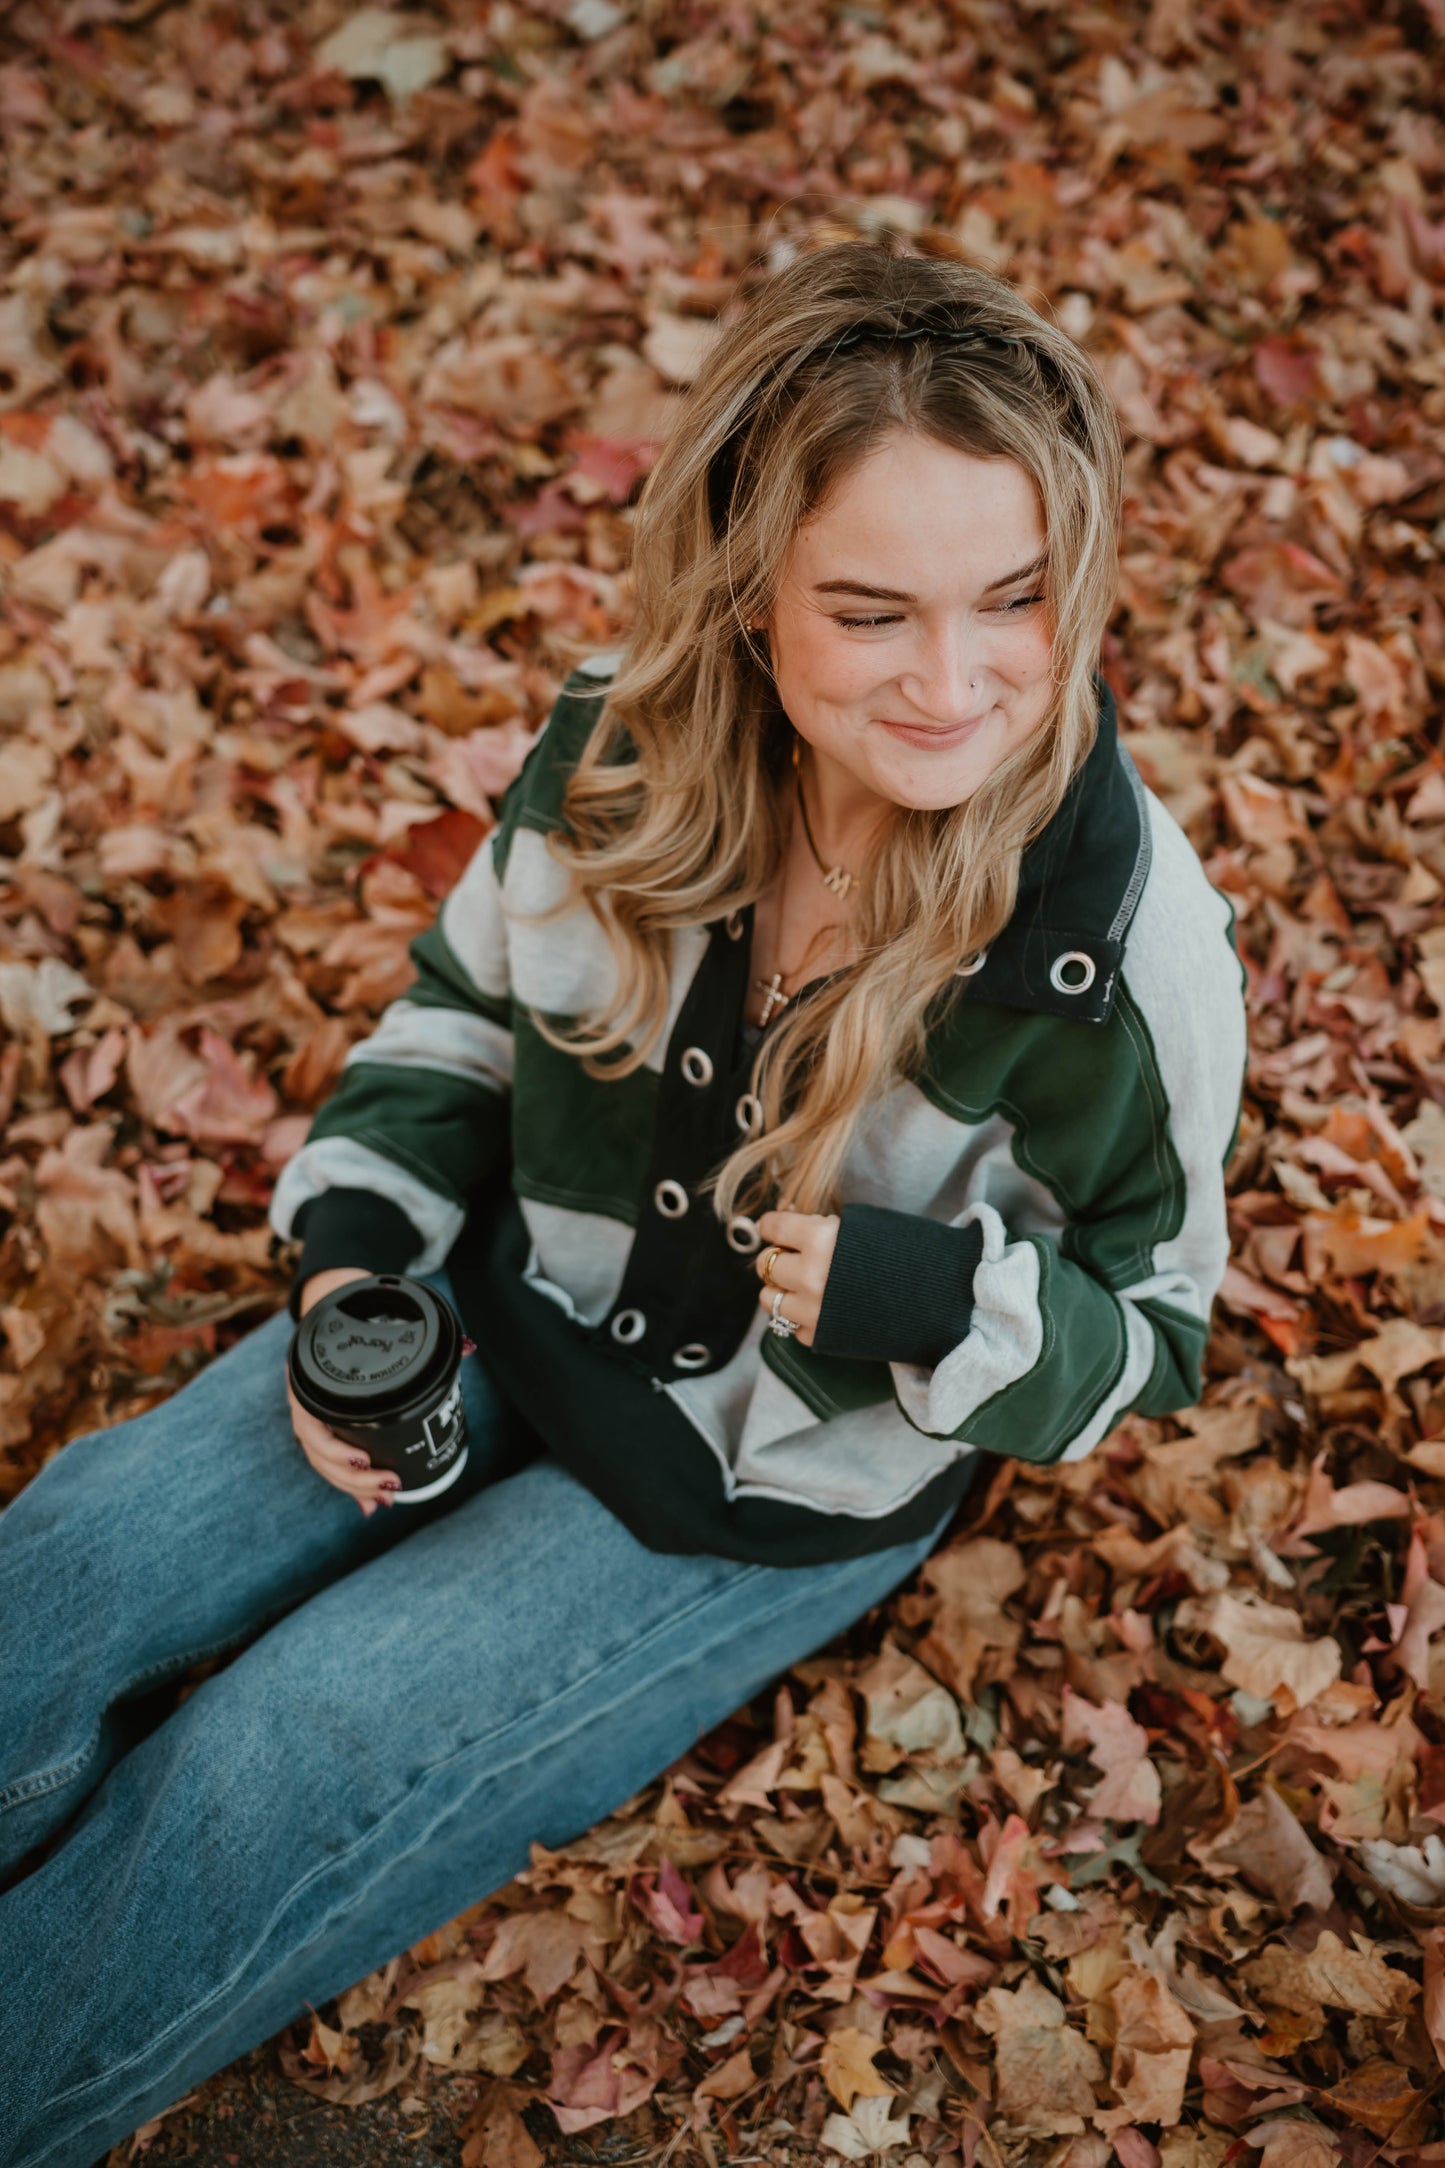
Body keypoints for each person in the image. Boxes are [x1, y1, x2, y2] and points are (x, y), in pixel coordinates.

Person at [0, 231, 1246, 2167]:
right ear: (752, 598)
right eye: (872, 611)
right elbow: (462, 1020)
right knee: (77, 1554)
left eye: (1016, 599)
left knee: (274, 1757)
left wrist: (937, 1299)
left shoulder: (1125, 949)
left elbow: (1155, 1336)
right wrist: (352, 1281)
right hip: (511, 1308)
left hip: (755, 1488)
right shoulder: (625, 743)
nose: (957, 683)